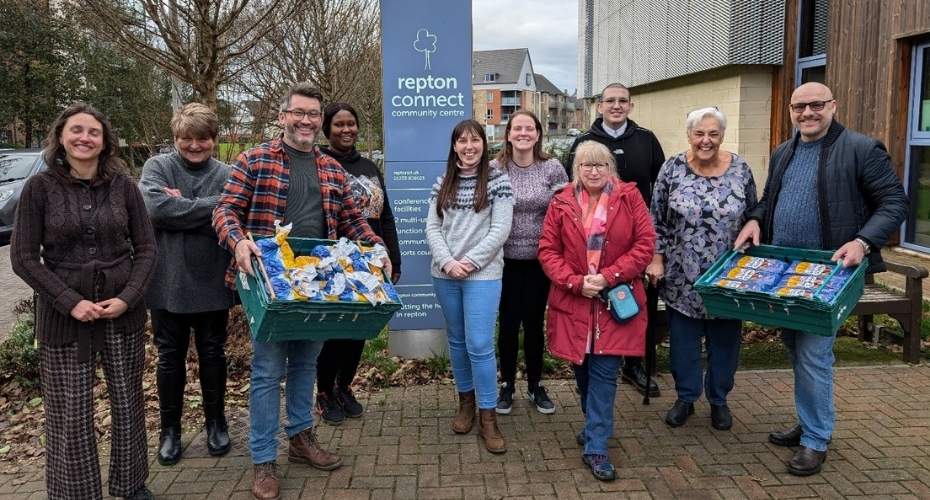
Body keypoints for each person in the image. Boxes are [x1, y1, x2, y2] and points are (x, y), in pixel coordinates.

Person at [213, 83, 389, 500]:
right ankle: (262, 459)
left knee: (306, 365)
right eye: (299, 113)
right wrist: (238, 241)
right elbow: (224, 211)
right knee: (267, 371)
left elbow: (352, 220)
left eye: (313, 114)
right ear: (283, 116)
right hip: (269, 282)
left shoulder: (330, 168)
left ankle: (300, 439)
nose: (306, 120)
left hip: (318, 284)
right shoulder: (254, 160)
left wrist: (375, 246)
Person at [733, 82, 907, 476]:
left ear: (833, 106)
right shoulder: (784, 150)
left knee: (813, 355)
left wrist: (863, 241)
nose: (807, 113)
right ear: (791, 110)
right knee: (796, 347)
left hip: (831, 273)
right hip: (788, 271)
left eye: (816, 105)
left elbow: (895, 202)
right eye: (799, 106)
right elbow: (768, 200)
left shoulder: (862, 149)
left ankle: (815, 439)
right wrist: (755, 220)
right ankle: (809, 420)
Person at [11, 102, 156, 500]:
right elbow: (23, 257)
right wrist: (68, 300)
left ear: (105, 141)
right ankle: (76, 492)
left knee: (128, 402)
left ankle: (131, 483)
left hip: (120, 312)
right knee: (69, 411)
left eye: (93, 132)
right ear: (61, 136)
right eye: (76, 130)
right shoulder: (39, 189)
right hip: (64, 316)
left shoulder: (124, 187)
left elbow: (146, 249)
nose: (84, 138)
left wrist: (128, 298)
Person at [538, 141, 655, 481]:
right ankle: (594, 425)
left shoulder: (629, 197)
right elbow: (548, 250)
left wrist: (608, 276)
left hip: (614, 300)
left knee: (604, 375)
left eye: (600, 165)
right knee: (582, 371)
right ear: (576, 168)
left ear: (610, 168)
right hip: (575, 301)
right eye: (586, 165)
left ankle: (597, 447)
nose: (593, 171)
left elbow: (645, 244)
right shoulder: (561, 201)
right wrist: (575, 281)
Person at [646, 107, 757, 431]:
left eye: (713, 134)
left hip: (728, 274)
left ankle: (719, 400)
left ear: (722, 136)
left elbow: (754, 213)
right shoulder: (672, 169)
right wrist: (656, 257)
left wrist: (753, 227)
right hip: (683, 276)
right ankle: (686, 397)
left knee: (725, 343)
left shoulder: (740, 169)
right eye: (699, 133)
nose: (706, 140)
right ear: (689, 135)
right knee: (684, 344)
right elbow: (657, 219)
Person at [139, 103, 235, 465]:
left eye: (203, 139)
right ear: (176, 138)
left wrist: (184, 205)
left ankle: (216, 422)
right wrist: (210, 208)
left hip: (212, 279)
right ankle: (170, 430)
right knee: (169, 358)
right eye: (186, 139)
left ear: (214, 139)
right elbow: (155, 210)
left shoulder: (227, 171)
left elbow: (232, 211)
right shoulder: (158, 166)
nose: (195, 145)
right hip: (167, 281)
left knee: (213, 354)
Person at [565, 82, 665, 398]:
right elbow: (570, 188)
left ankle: (635, 365)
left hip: (633, 243)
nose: (616, 106)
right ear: (599, 106)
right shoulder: (585, 142)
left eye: (623, 101)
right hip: (592, 247)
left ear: (630, 106)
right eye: (610, 101)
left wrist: (653, 251)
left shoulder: (647, 140)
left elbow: (660, 190)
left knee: (635, 309)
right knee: (596, 310)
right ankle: (593, 361)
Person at [426, 119, 514, 454]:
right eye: (462, 141)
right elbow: (433, 227)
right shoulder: (442, 182)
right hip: (445, 273)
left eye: (474, 140)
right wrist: (449, 262)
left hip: (483, 274)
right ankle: (466, 403)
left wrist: (470, 262)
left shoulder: (497, 180)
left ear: (483, 143)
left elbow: (500, 229)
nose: (468, 146)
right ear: (454, 146)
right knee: (458, 341)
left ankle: (488, 417)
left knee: (479, 343)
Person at [316, 102, 401, 425]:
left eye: (351, 123)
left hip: (371, 260)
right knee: (335, 330)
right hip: (336, 261)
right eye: (339, 124)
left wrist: (393, 257)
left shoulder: (369, 166)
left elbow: (386, 216)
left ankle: (344, 386)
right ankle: (323, 392)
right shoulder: (321, 163)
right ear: (327, 129)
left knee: (359, 330)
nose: (346, 130)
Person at [491, 110, 567, 415]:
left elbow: (565, 211)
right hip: (503, 260)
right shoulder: (495, 168)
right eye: (517, 128)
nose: (523, 133)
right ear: (508, 134)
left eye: (529, 129)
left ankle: (536, 385)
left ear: (538, 134)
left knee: (534, 324)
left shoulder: (552, 168)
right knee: (508, 325)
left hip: (540, 262)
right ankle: (507, 385)